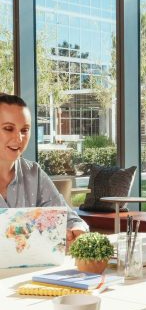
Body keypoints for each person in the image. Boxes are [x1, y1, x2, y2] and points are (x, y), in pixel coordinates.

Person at [0, 92, 88, 247]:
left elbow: (69, 219)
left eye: (24, 130)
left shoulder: (34, 174)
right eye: (8, 128)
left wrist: (76, 229)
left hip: (32, 270)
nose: (19, 138)